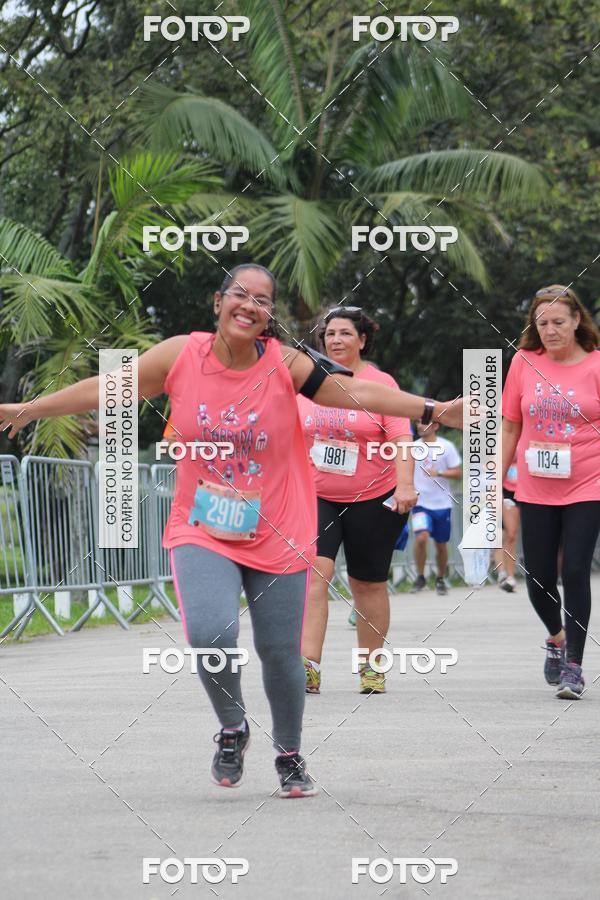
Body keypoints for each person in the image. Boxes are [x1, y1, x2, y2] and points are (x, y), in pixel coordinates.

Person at [0, 263, 463, 795]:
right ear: (218, 302)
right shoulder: (180, 355)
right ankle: (232, 726)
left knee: (279, 652)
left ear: (270, 315)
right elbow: (110, 387)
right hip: (204, 524)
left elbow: (359, 394)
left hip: (279, 525)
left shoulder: (285, 364)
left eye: (263, 299)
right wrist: (31, 408)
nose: (250, 304)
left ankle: (289, 753)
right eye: (240, 294)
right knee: (210, 634)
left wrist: (433, 408)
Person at [297, 307, 416, 695]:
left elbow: (401, 439)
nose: (336, 340)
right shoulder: (307, 383)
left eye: (346, 333)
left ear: (362, 340)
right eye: (330, 334)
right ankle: (307, 667)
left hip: (373, 497)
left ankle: (371, 666)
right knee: (315, 574)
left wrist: (404, 486)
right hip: (317, 496)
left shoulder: (381, 383)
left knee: (367, 583)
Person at [501, 284, 600, 700]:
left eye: (559, 322)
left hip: (587, 481)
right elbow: (509, 425)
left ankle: (574, 665)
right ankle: (556, 638)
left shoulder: (596, 365)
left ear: (577, 320)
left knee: (575, 569)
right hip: (535, 484)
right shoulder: (524, 362)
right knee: (538, 577)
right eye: (542, 323)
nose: (550, 330)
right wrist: (492, 479)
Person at [409, 421, 462, 595]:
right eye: (418, 422)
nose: (420, 426)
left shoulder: (446, 446)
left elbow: (458, 472)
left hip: (441, 504)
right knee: (421, 538)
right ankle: (420, 576)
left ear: (436, 426)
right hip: (420, 503)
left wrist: (439, 473)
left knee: (441, 544)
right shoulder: (411, 447)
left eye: (425, 423)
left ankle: (440, 578)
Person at [493, 455, 520, 592]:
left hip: (531, 487)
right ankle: (507, 575)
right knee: (509, 534)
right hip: (506, 490)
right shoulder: (500, 436)